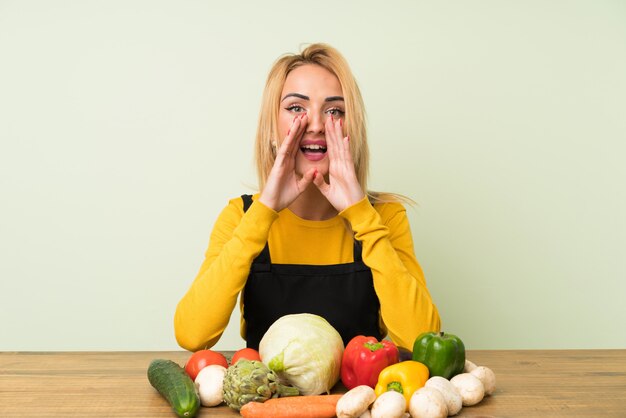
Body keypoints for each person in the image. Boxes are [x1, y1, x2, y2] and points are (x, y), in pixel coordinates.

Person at [174, 43, 440, 351]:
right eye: (296, 108)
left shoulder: (385, 217)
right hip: (270, 398)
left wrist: (361, 214)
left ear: (350, 130)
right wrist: (264, 212)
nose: (315, 125)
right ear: (272, 128)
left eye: (334, 111)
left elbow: (422, 339)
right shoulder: (241, 216)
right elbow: (192, 335)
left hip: (360, 398)